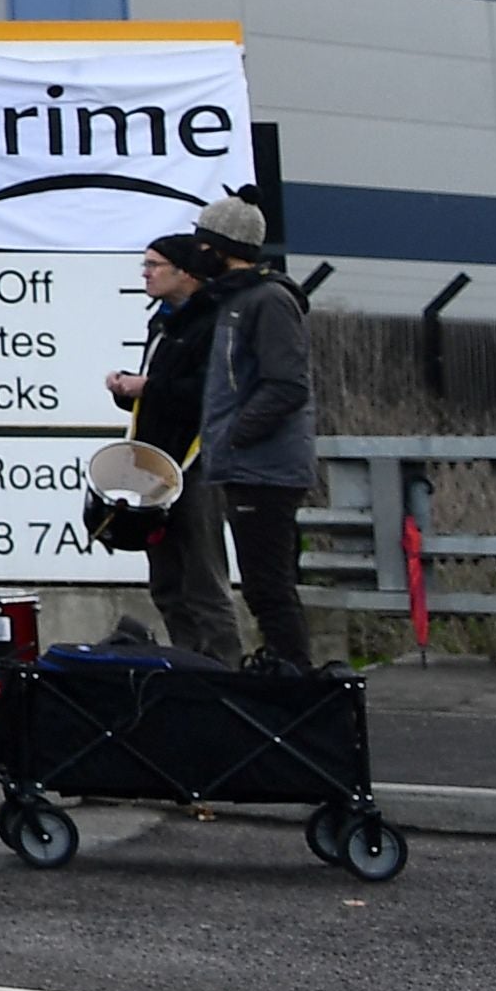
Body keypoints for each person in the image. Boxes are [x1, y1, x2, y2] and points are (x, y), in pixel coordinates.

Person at [106, 233, 244, 662]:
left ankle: (224, 672)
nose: (145, 274)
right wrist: (128, 390)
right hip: (154, 465)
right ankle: (189, 664)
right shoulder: (162, 321)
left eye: (154, 265)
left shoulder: (214, 322)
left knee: (204, 578)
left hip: (196, 464)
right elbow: (163, 390)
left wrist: (149, 386)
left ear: (185, 272)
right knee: (166, 583)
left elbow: (211, 393)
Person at [194, 195, 318, 670]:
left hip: (265, 470)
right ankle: (287, 675)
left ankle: (297, 683)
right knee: (264, 588)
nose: (196, 248)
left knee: (270, 589)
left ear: (221, 246)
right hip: (246, 465)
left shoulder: (267, 300)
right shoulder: (236, 300)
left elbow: (286, 384)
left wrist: (235, 436)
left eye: (203, 240)